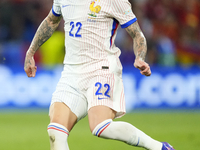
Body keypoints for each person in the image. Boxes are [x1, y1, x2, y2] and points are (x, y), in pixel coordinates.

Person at [24, 0, 175, 150]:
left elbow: (137, 34)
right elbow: (51, 21)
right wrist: (31, 51)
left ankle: (159, 147)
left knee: (100, 127)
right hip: (71, 72)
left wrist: (140, 57)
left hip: (101, 69)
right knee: (55, 131)